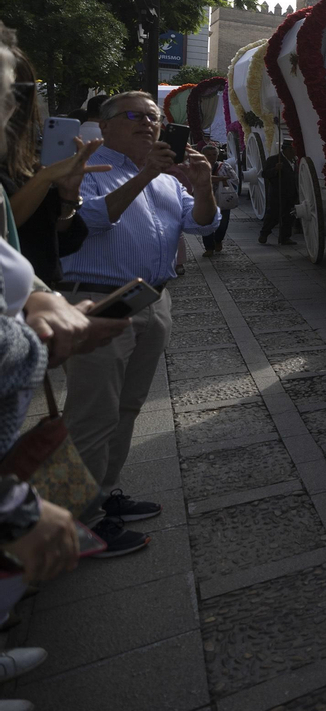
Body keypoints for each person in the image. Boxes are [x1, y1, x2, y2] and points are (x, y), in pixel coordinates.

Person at [0, 26, 129, 690]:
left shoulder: (23, 161)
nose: (23, 103)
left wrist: (68, 191)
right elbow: (12, 230)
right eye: (18, 91)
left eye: (22, 90)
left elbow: (50, 235)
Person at [59, 91, 218, 554]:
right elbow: (91, 220)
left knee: (127, 408)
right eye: (135, 117)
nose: (149, 124)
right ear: (105, 126)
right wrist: (147, 172)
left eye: (154, 117)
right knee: (92, 414)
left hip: (152, 299)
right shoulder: (88, 167)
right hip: (98, 300)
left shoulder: (168, 179)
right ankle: (76, 524)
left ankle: (102, 496)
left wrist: (204, 186)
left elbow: (202, 225)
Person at [0, 52, 106, 287]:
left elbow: (56, 241)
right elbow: (5, 225)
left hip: (37, 297)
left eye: (20, 88)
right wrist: (45, 178)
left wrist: (68, 197)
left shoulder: (24, 159)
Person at [258, 140, 299, 245]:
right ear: (287, 150)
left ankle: (285, 237)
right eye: (293, 150)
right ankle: (264, 233)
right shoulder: (274, 159)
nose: (295, 152)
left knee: (289, 216)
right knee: (273, 215)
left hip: (291, 192)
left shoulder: (296, 161)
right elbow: (264, 174)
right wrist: (275, 169)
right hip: (278, 192)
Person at [200, 144, 234, 258]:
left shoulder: (225, 167)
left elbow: (235, 179)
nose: (211, 157)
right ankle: (209, 247)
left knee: (222, 225)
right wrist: (220, 179)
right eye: (208, 155)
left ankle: (218, 239)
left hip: (222, 200)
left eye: (214, 154)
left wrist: (225, 182)